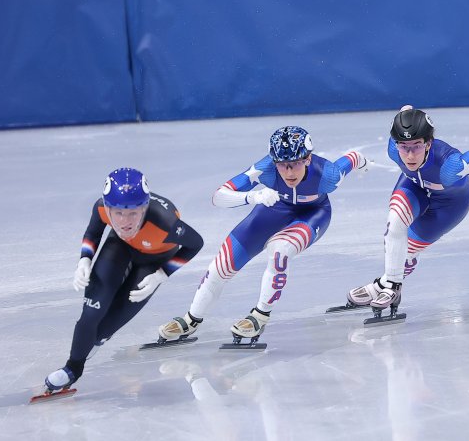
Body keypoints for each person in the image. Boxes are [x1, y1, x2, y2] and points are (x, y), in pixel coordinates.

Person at [158, 126, 368, 343]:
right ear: (273, 161)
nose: (288, 172)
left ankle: (259, 316)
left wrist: (362, 163)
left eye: (294, 163)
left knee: (280, 249)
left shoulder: (327, 175)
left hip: (313, 214)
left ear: (307, 159)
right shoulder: (265, 168)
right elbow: (219, 196)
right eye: (282, 165)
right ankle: (192, 319)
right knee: (220, 267)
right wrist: (253, 197)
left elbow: (352, 158)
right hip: (272, 209)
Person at [43, 168, 204, 393]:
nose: (125, 221)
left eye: (134, 213)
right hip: (119, 248)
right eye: (117, 213)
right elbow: (93, 233)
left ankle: (97, 341)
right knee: (91, 314)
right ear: (107, 207)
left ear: (145, 208)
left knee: (104, 330)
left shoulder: (165, 222)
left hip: (154, 261)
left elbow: (195, 244)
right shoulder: (100, 207)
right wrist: (84, 260)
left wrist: (162, 274)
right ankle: (72, 368)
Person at [345, 105, 469, 317]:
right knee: (395, 221)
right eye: (403, 146)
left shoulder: (450, 167)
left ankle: (383, 284)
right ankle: (392, 286)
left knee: (408, 250)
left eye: (416, 146)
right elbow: (405, 113)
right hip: (415, 186)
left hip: (449, 204)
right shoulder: (394, 150)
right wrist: (406, 111)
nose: (409, 155)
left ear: (428, 143)